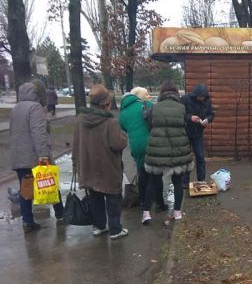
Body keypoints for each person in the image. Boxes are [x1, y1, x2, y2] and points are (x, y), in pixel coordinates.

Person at [72, 84, 129, 239]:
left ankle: (98, 226)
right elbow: (118, 143)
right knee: (113, 198)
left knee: (95, 197)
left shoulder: (80, 120)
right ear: (105, 104)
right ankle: (115, 230)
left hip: (88, 166)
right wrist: (123, 135)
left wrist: (76, 164)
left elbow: (75, 143)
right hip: (108, 167)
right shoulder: (110, 122)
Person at [10, 79, 64, 232]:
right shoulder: (35, 108)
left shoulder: (16, 108)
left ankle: (27, 221)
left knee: (25, 189)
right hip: (34, 155)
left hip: (19, 155)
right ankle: (61, 212)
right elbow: (39, 133)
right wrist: (43, 155)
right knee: (50, 183)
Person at [144, 81, 193, 221]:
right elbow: (184, 125)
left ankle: (146, 213)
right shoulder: (181, 108)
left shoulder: (154, 108)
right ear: (176, 93)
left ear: (161, 93)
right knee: (177, 181)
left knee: (153, 181)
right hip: (177, 148)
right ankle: (177, 212)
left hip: (157, 149)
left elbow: (149, 127)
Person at [119, 86, 165, 224]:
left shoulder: (123, 113)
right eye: (146, 94)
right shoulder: (147, 105)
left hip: (136, 147)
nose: (148, 96)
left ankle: (144, 202)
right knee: (156, 175)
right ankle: (159, 203)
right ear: (138, 96)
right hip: (152, 144)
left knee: (142, 174)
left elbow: (123, 128)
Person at [182, 83, 214, 185]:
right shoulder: (185, 99)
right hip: (185, 133)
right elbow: (179, 113)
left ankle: (201, 181)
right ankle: (184, 182)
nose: (202, 99)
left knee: (200, 157)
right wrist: (190, 118)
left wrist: (207, 120)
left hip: (198, 133)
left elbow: (211, 114)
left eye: (203, 97)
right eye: (200, 97)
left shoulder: (207, 101)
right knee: (185, 158)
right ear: (195, 94)